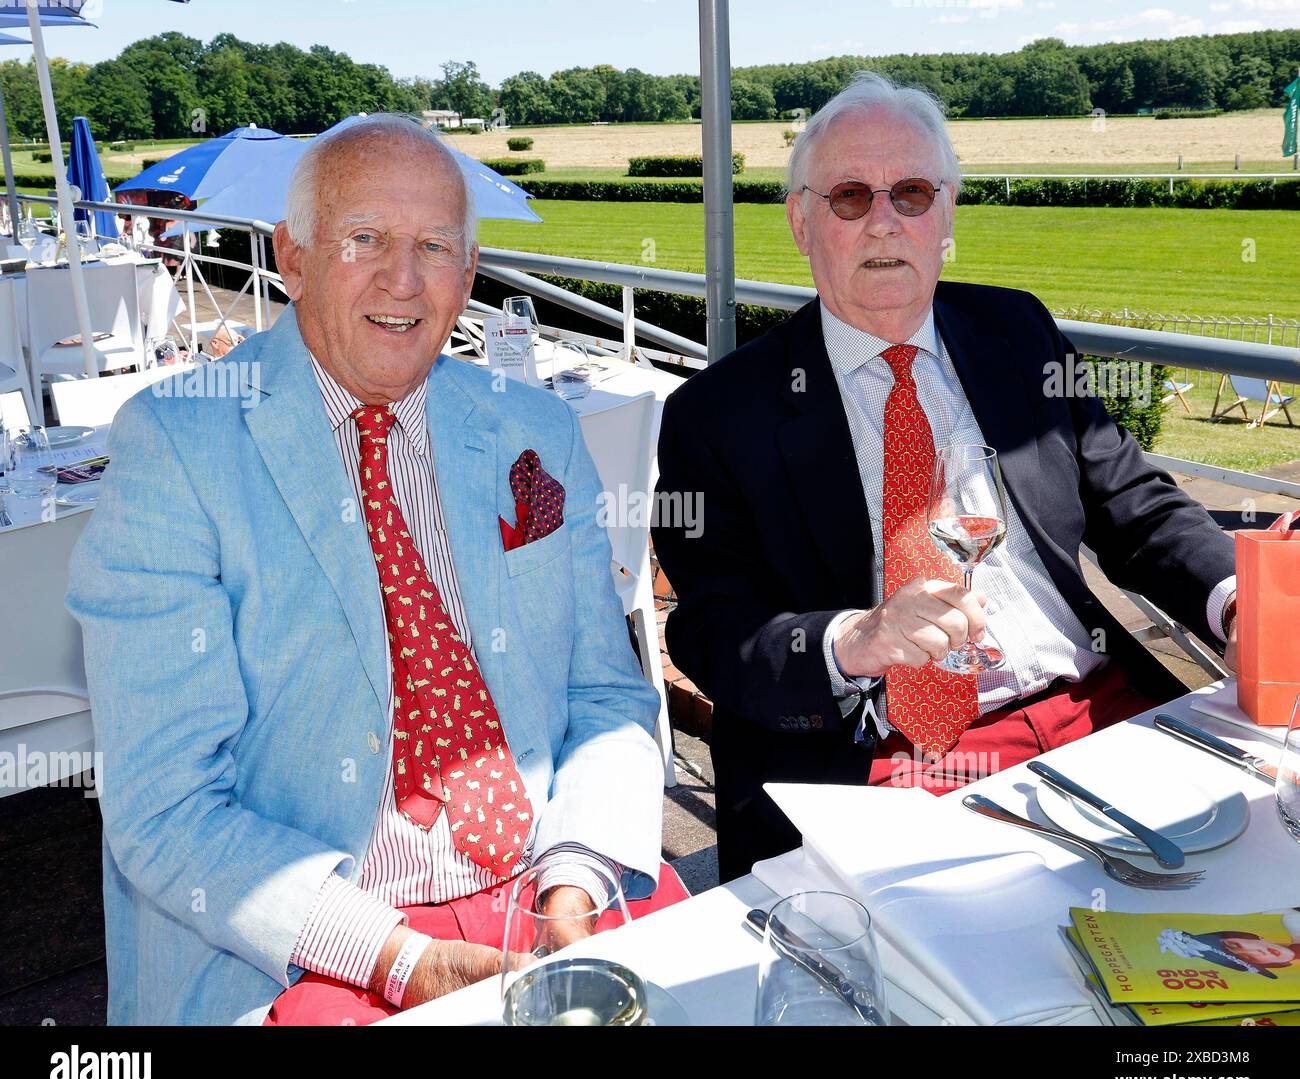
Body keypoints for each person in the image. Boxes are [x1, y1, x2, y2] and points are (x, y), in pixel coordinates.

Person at [68, 114, 682, 1026]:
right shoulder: (177, 444)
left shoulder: (534, 429)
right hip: (306, 937)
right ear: (294, 257)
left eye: (436, 245)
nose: (404, 279)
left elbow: (606, 694)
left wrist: (575, 883)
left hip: (547, 880)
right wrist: (404, 957)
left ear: (469, 274)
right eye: (365, 239)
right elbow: (164, 804)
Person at [652, 72, 1238, 882]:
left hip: (1098, 714)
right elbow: (709, 630)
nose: (885, 221)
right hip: (883, 765)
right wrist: (850, 640)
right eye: (851, 197)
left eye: (914, 193)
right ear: (800, 220)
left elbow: (1135, 505)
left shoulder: (1016, 332)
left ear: (948, 212)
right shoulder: (716, 414)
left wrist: (1243, 601)